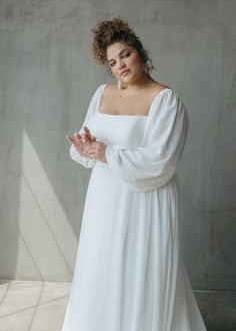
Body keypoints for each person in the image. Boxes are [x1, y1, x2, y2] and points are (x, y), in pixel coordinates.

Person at [62, 17, 207, 331]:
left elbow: (162, 161)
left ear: (140, 51)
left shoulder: (166, 100)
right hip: (104, 197)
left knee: (141, 268)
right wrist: (87, 147)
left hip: (146, 199)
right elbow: (91, 141)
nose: (120, 65)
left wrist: (106, 153)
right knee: (102, 264)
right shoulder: (101, 94)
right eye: (113, 62)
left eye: (125, 54)